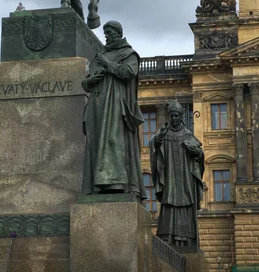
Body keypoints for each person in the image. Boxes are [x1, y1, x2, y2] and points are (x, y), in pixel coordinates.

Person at [81, 20, 146, 199]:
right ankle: (96, 185)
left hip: (115, 105)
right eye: (106, 34)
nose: (107, 37)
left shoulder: (128, 54)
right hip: (97, 106)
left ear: (118, 33)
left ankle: (116, 183)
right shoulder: (101, 55)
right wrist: (89, 82)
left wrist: (108, 64)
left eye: (110, 33)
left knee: (113, 142)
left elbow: (127, 73)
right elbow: (86, 82)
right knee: (95, 143)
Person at [150, 100, 204, 250]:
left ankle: (187, 239)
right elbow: (154, 144)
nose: (174, 118)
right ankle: (167, 237)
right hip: (170, 176)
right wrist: (159, 137)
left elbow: (200, 154)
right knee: (169, 203)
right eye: (171, 115)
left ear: (181, 116)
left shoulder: (188, 134)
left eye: (176, 116)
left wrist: (197, 153)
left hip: (186, 177)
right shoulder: (164, 133)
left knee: (186, 203)